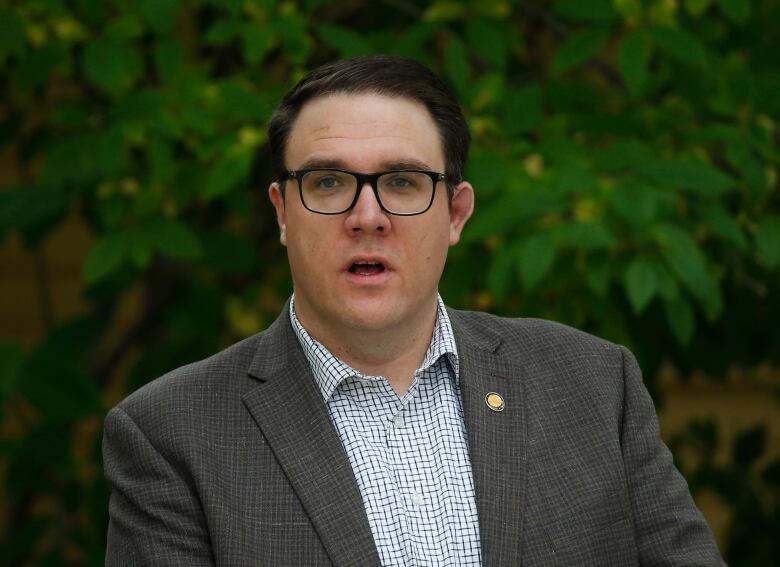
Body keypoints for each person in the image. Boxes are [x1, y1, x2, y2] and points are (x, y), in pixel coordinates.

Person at [103, 55, 725, 566]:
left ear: (455, 213)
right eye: (328, 183)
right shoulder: (171, 434)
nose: (366, 216)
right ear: (282, 213)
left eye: (402, 182)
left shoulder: (593, 384)